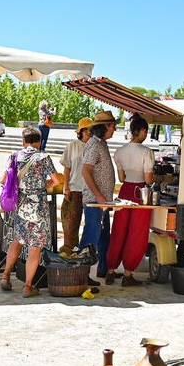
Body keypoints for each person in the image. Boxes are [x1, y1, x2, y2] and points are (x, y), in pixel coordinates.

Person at [0, 128, 63, 297]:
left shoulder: (15, 156)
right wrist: (45, 186)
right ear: (39, 142)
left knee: (17, 240)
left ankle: (5, 276)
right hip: (38, 208)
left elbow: (3, 180)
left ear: (23, 141)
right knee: (34, 247)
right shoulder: (44, 158)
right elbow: (56, 180)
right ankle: (28, 286)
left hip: (21, 206)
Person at [107, 115, 155, 286]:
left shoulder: (119, 152)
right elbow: (149, 180)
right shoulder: (147, 152)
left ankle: (111, 270)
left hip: (125, 190)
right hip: (141, 192)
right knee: (137, 233)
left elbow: (121, 177)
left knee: (119, 230)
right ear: (142, 131)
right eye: (145, 132)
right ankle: (128, 273)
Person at [79, 110, 117, 286]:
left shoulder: (101, 143)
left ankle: (102, 268)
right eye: (113, 126)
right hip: (95, 202)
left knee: (102, 237)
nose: (115, 129)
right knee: (90, 238)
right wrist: (99, 195)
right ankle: (81, 274)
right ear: (105, 127)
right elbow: (85, 170)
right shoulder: (95, 145)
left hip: (101, 201)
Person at [59, 117, 93, 253]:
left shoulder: (96, 146)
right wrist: (66, 187)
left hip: (91, 191)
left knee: (91, 226)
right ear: (81, 131)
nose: (89, 133)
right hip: (74, 189)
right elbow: (66, 168)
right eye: (87, 130)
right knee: (70, 226)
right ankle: (70, 255)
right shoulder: (72, 146)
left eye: (91, 130)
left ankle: (85, 254)